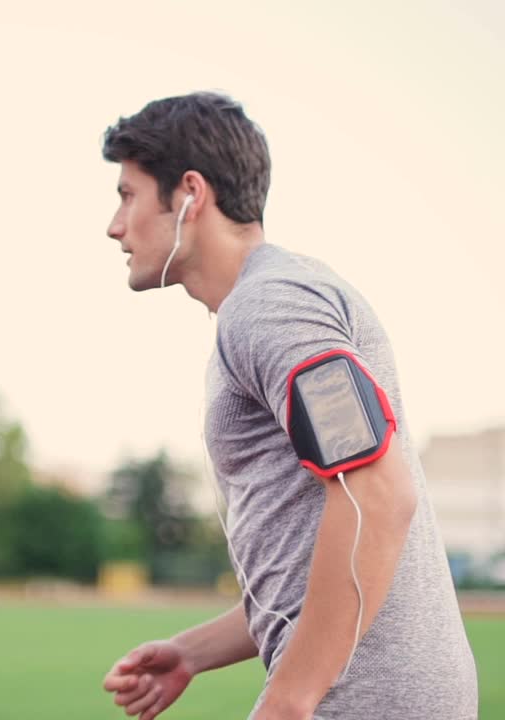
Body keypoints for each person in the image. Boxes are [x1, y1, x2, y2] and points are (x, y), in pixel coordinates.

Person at [99, 92, 478, 720]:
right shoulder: (274, 301)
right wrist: (192, 652)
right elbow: (311, 563)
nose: (115, 225)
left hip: (365, 704)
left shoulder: (269, 307)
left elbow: (377, 496)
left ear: (190, 193)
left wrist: (289, 700)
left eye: (127, 194)